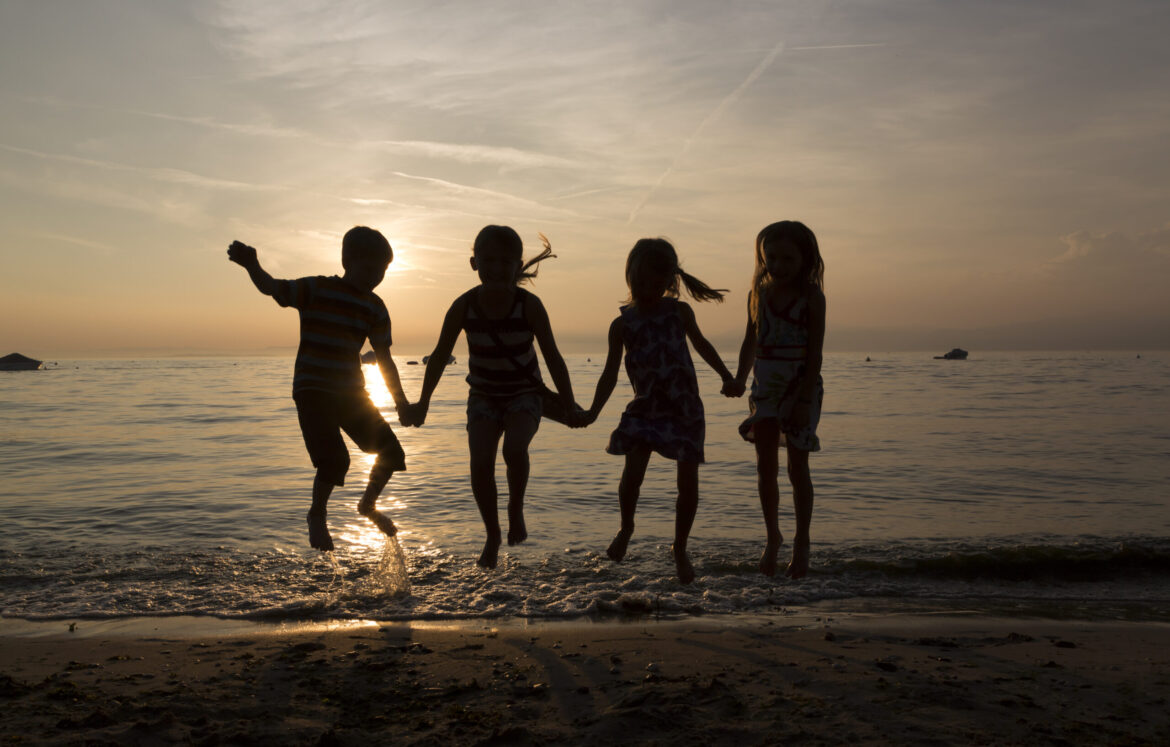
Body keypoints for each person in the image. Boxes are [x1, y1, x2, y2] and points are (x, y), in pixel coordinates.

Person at [402, 226, 582, 569]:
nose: (497, 268)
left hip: (524, 395)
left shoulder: (529, 306)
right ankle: (492, 533)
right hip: (483, 396)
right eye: (489, 260)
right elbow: (439, 356)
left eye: (506, 261)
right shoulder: (464, 306)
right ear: (474, 263)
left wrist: (570, 405)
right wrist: (422, 402)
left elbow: (554, 358)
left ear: (518, 266)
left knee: (514, 449)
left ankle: (515, 506)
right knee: (480, 463)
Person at [227, 227, 410, 552]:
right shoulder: (317, 289)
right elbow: (273, 288)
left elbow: (385, 359)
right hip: (313, 391)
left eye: (381, 272)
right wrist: (252, 265)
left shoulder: (376, 307)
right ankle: (317, 513)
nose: (375, 277)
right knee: (335, 460)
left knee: (393, 453)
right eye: (368, 269)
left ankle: (367, 506)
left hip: (352, 395)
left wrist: (401, 402)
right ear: (347, 261)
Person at [584, 238, 735, 584]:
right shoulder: (622, 325)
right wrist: (593, 410)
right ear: (629, 279)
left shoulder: (679, 312)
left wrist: (726, 376)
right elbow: (609, 373)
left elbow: (701, 345)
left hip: (683, 409)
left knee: (688, 483)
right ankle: (626, 527)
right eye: (640, 283)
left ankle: (679, 548)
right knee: (632, 473)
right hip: (645, 409)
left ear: (669, 282)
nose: (648, 290)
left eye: (656, 284)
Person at [722, 221, 825, 579]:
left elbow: (815, 354)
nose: (778, 266)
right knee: (765, 466)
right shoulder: (758, 295)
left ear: (805, 259)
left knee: (798, 467)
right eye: (771, 258)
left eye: (787, 259)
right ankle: (772, 537)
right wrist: (738, 377)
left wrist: (803, 398)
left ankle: (802, 543)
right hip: (764, 388)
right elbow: (750, 341)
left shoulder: (812, 297)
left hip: (799, 387)